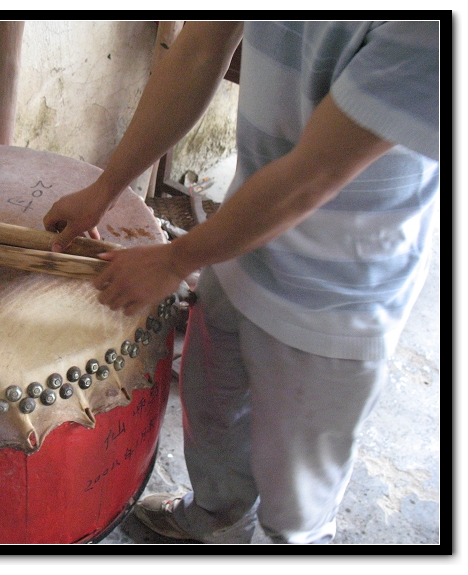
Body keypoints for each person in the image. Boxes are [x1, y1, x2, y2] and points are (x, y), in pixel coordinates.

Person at [43, 21, 439, 544]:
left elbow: (312, 176)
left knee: (294, 498)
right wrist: (104, 190)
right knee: (214, 420)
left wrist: (174, 260)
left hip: (335, 301)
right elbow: (200, 50)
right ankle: (214, 521)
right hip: (237, 242)